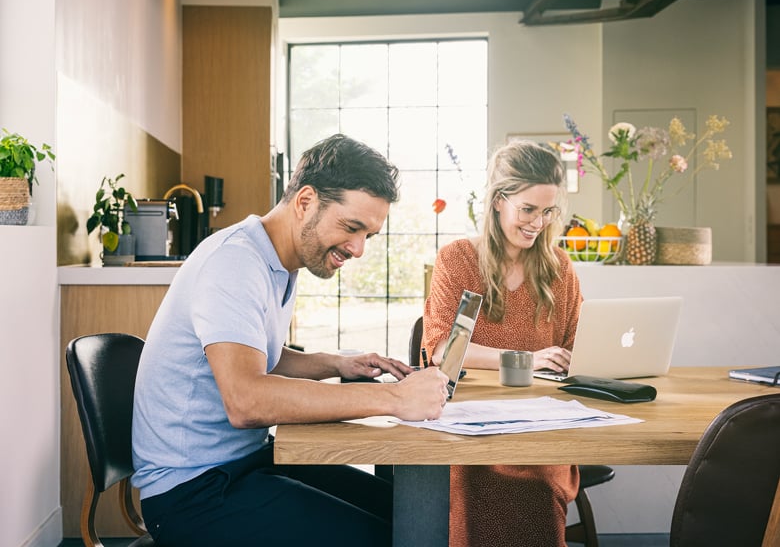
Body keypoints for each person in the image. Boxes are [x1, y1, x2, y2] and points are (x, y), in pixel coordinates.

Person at [132, 134, 450, 547]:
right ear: (305, 203)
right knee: (394, 539)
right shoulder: (234, 263)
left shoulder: (280, 262)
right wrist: (395, 400)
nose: (357, 250)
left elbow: (259, 356)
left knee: (408, 518)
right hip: (192, 493)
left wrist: (335, 364)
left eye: (367, 236)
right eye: (351, 228)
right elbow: (246, 399)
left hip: (243, 465)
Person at [422, 140, 583, 547]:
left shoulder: (559, 269)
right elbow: (442, 348)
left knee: (539, 480)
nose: (538, 223)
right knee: (480, 476)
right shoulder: (457, 259)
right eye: (527, 210)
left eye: (548, 212)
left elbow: (574, 346)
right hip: (471, 422)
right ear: (498, 202)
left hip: (542, 423)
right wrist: (525, 359)